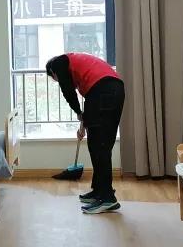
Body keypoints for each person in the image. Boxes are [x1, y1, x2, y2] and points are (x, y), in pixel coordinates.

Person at [45, 52, 125, 214]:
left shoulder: (58, 63)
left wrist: (78, 112)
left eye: (56, 79)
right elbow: (90, 100)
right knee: (100, 145)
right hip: (112, 91)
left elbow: (68, 91)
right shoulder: (76, 63)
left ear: (53, 72)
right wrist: (84, 123)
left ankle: (107, 198)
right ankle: (99, 191)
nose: (59, 81)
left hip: (104, 91)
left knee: (99, 146)